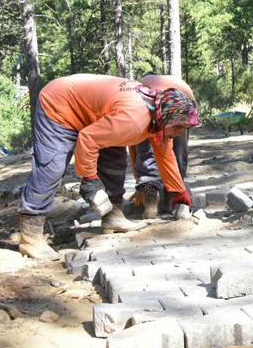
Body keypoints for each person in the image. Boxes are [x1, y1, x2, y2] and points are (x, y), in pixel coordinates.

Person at [17, 74, 199, 260]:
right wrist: (89, 179)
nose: (179, 134)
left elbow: (166, 156)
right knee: (51, 167)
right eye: (178, 128)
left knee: (114, 159)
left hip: (100, 111)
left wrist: (178, 190)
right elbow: (88, 138)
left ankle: (113, 216)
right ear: (166, 118)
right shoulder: (134, 121)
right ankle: (31, 236)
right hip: (60, 104)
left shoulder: (157, 115)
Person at [126, 73, 195, 219]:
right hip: (184, 103)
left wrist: (140, 180)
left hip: (175, 102)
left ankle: (150, 198)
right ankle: (170, 198)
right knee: (178, 153)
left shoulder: (140, 85)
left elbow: (134, 146)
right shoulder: (172, 82)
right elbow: (172, 156)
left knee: (145, 151)